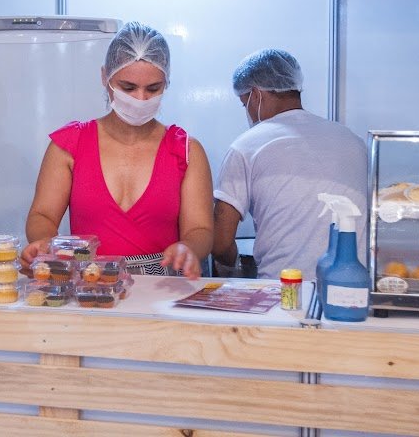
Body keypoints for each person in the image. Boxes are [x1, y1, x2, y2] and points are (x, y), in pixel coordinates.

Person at [21, 22, 214, 277]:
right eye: (128, 87)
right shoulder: (69, 145)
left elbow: (200, 229)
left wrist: (188, 248)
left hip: (164, 287)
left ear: (166, 82)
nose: (140, 99)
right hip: (90, 282)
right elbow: (42, 215)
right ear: (105, 77)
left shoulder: (186, 151)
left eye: (153, 88)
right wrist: (47, 243)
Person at [212, 48, 367, 281]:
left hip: (284, 290)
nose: (248, 111)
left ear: (256, 95)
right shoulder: (353, 141)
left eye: (245, 104)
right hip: (350, 287)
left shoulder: (246, 146)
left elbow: (220, 243)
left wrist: (234, 267)